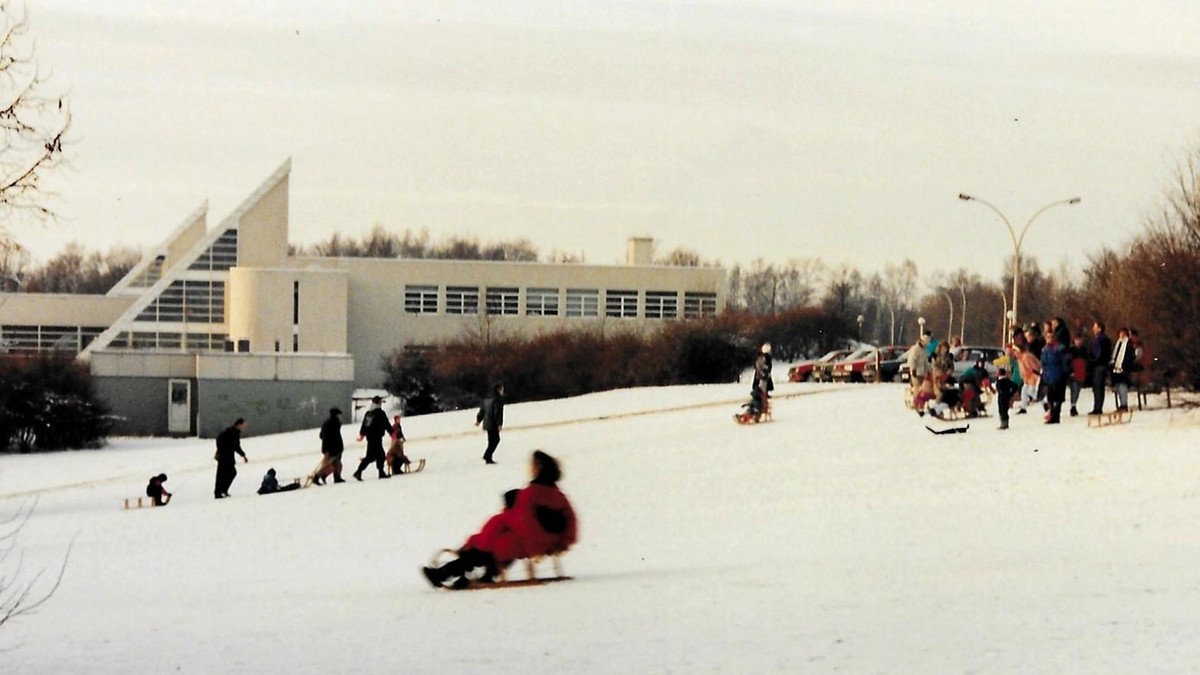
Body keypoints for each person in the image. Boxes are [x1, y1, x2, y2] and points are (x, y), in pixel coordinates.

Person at [423, 450, 577, 588]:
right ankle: (484, 573)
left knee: (487, 544)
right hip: (548, 542)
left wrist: (506, 517)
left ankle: (444, 573)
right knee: (494, 540)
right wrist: (562, 543)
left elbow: (521, 522)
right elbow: (571, 522)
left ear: (538, 469)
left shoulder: (529, 494)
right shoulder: (559, 496)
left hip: (528, 543)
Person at [354, 395, 393, 481]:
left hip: (370, 437)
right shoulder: (380, 413)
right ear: (379, 403)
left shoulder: (369, 413)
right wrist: (391, 432)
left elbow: (364, 425)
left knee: (373, 456)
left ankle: (360, 472)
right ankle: (378, 472)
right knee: (379, 455)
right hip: (376, 437)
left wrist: (362, 434)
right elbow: (386, 423)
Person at [213, 418, 248, 499]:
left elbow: (236, 446)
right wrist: (220, 450)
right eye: (243, 425)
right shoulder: (230, 432)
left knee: (229, 473)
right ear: (238, 425)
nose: (244, 427)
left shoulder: (235, 433)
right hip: (224, 457)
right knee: (224, 474)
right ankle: (219, 492)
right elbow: (221, 439)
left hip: (228, 457)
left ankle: (222, 491)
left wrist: (243, 455)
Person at [1040, 331, 1069, 424]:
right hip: (1048, 375)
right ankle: (1052, 414)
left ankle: (1056, 415)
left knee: (1058, 397)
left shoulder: (1059, 348)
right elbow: (1043, 363)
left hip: (1057, 374)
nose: (1050, 339)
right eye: (1048, 337)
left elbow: (1064, 362)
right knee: (1050, 397)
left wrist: (1065, 373)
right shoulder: (1044, 350)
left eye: (1052, 337)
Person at [314, 407, 346, 485]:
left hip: (331, 447)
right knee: (328, 463)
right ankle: (317, 477)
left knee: (336, 463)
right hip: (333, 448)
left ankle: (336, 477)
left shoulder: (327, 423)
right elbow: (332, 437)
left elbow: (321, 435)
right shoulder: (334, 423)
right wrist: (328, 449)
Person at [1087, 321, 1113, 415]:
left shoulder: (1103, 340)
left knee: (1099, 387)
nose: (1093, 329)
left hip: (1100, 365)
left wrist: (1093, 360)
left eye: (1095, 327)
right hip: (1096, 365)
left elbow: (1101, 354)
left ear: (1100, 328)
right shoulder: (1096, 339)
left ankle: (1098, 408)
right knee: (1096, 387)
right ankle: (1096, 407)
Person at [476, 383, 505, 465]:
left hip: (487, 423)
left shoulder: (487, 399)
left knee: (491, 441)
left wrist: (478, 420)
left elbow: (482, 410)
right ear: (498, 390)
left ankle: (488, 457)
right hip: (493, 423)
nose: (502, 391)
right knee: (496, 440)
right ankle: (487, 456)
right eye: (502, 389)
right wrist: (499, 424)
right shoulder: (497, 400)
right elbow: (497, 412)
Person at [1109, 327, 1138, 411]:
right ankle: (1122, 404)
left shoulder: (1128, 344)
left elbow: (1130, 357)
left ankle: (1124, 404)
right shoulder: (1118, 343)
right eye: (1120, 333)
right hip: (1117, 369)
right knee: (1118, 387)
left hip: (1124, 370)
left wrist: (1125, 365)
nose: (1121, 335)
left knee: (1122, 387)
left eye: (1123, 333)